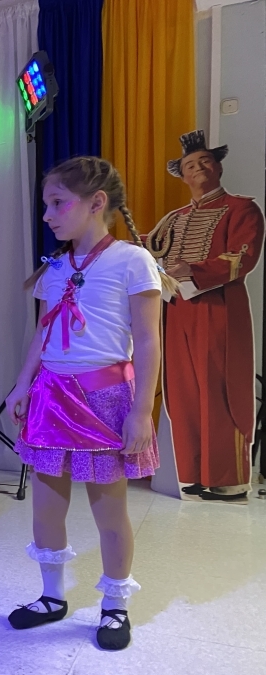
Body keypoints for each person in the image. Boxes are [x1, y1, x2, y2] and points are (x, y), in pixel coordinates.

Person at [5, 157, 172, 651]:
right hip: (50, 397)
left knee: (109, 510)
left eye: (58, 203)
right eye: (46, 204)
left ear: (97, 202)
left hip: (104, 398)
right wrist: (21, 384)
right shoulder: (56, 266)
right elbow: (42, 333)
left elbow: (148, 341)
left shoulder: (132, 260)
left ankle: (115, 604)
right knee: (46, 504)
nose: (47, 215)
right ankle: (51, 596)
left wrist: (141, 410)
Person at [146, 130, 265, 503]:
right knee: (182, 392)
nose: (198, 168)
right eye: (190, 165)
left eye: (205, 161)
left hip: (218, 307)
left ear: (218, 167)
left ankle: (227, 479)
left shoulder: (241, 209)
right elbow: (156, 252)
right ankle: (193, 474)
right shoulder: (173, 218)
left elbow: (242, 257)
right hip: (176, 309)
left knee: (220, 388)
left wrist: (193, 270)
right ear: (182, 175)